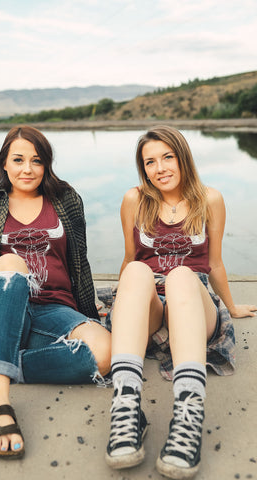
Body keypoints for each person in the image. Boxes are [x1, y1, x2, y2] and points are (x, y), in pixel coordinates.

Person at [0, 125, 111, 459]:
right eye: (18, 159)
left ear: (46, 164)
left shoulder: (67, 200)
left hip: (55, 309)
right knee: (13, 264)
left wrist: (88, 313)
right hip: (1, 301)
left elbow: (79, 263)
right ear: (4, 163)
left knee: (105, 352)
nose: (27, 169)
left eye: (36, 160)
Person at [104, 125, 256, 478]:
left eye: (167, 157)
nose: (160, 168)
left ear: (182, 156)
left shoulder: (210, 199)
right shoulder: (134, 199)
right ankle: (126, 409)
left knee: (181, 276)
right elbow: (129, 259)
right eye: (150, 162)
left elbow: (215, 263)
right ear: (143, 169)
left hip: (194, 301)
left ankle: (188, 416)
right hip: (154, 311)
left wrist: (232, 307)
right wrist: (121, 299)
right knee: (139, 271)